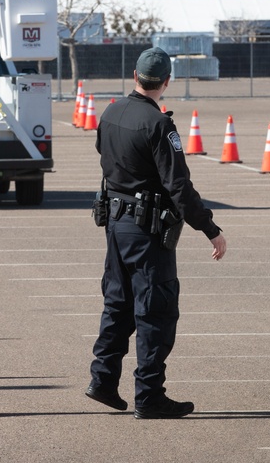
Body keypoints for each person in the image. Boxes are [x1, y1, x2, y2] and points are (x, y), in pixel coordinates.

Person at [87, 46, 227, 419]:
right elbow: (179, 187)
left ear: (135, 75)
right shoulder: (159, 125)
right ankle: (149, 396)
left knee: (118, 304)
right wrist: (210, 228)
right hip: (147, 232)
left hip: (115, 225)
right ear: (166, 82)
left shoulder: (112, 111)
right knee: (156, 312)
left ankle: (102, 379)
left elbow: (103, 153)